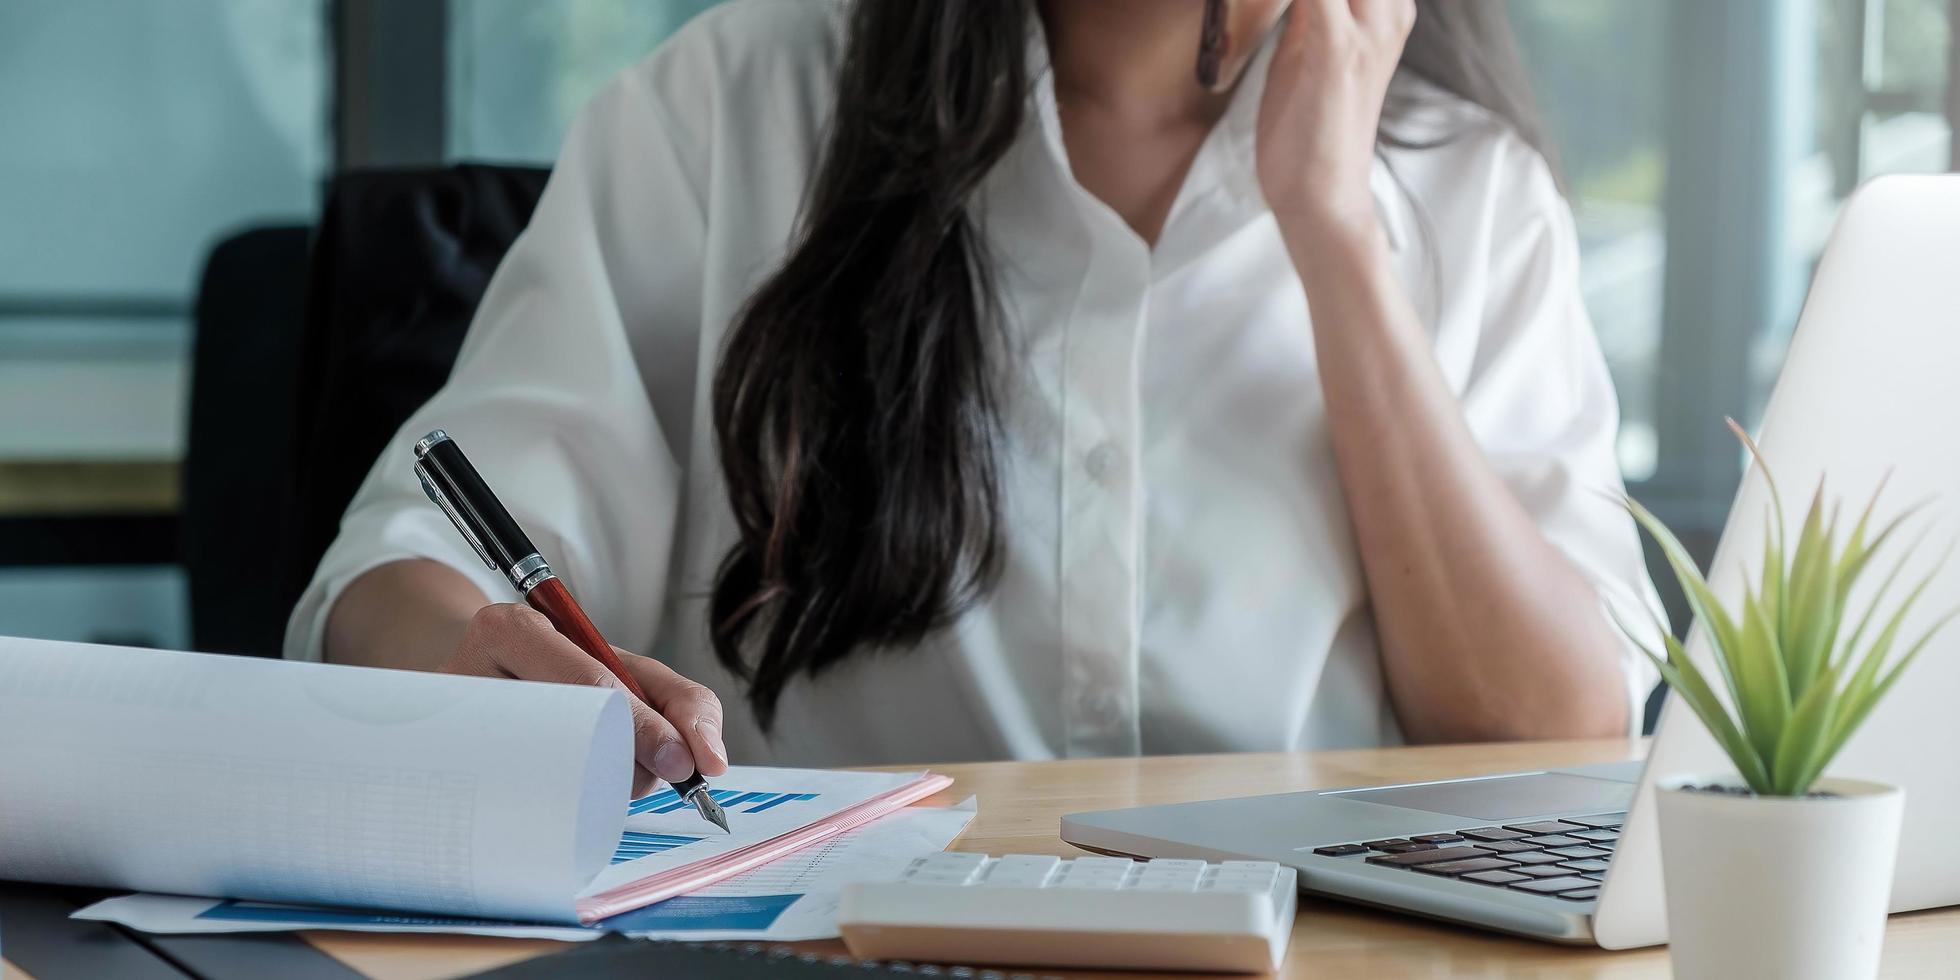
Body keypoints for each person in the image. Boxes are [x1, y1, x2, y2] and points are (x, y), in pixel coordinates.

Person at [290, 0, 1665, 795]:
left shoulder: (1465, 184)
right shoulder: (729, 108)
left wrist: (1332, 227)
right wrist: (465, 662)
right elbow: (412, 576)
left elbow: (1551, 738)